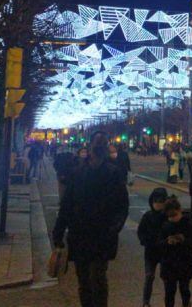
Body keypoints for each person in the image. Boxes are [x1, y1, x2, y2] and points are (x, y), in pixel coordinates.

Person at [52, 131, 130, 307]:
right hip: (80, 233)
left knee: (97, 277)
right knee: (84, 280)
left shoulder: (112, 173)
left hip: (101, 234)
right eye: (97, 143)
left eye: (101, 144)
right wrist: (58, 232)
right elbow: (67, 204)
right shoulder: (79, 172)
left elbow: (122, 205)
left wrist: (114, 227)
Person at [159, 197, 192, 307]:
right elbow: (159, 243)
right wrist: (167, 242)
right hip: (169, 263)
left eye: (174, 215)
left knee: (184, 289)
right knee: (169, 292)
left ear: (179, 210)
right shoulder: (165, 226)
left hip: (184, 262)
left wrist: (184, 240)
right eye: (170, 216)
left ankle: (186, 304)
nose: (173, 218)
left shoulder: (189, 224)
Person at [137, 188, 169, 307]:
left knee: (165, 278)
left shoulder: (166, 216)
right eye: (156, 201)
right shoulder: (148, 216)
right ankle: (146, 301)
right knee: (149, 276)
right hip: (151, 251)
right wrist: (145, 241)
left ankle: (167, 301)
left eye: (161, 201)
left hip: (162, 251)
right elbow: (141, 232)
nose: (158, 204)